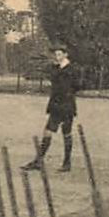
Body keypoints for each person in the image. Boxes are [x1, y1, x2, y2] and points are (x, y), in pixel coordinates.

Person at [23, 43, 79, 172]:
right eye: (56, 54)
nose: (57, 56)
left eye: (60, 54)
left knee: (66, 133)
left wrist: (68, 94)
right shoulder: (55, 68)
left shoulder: (71, 69)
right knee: (47, 131)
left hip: (67, 105)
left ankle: (67, 163)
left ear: (65, 55)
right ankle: (38, 161)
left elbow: (77, 85)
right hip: (56, 105)